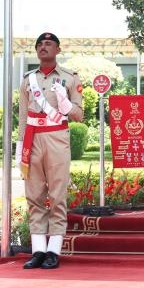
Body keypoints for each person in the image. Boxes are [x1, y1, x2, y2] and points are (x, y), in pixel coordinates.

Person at [16, 32, 84, 269]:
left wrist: (66, 104)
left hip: (57, 138)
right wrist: (20, 145)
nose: (43, 47)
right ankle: (38, 250)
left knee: (57, 195)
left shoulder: (70, 78)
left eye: (48, 43)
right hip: (32, 139)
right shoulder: (28, 79)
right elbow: (23, 115)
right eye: (40, 44)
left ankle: (54, 250)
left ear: (58, 50)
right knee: (34, 195)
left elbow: (79, 115)